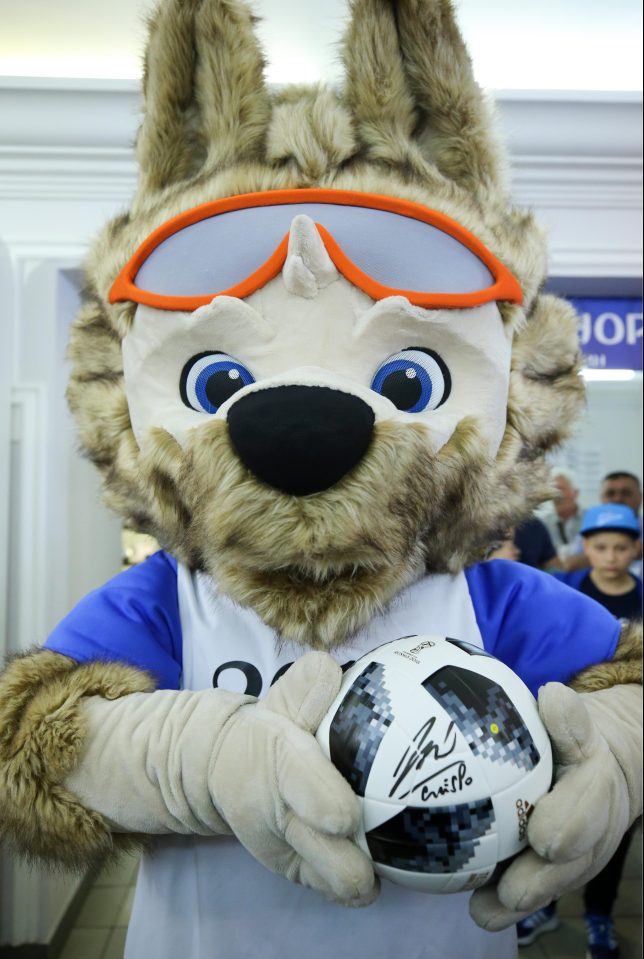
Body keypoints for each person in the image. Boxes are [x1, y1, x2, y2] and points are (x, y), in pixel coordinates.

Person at [517, 502, 642, 956]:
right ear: (585, 547)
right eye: (601, 546)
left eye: (621, 547)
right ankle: (544, 906)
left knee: (612, 832)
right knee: (550, 824)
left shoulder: (641, 596)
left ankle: (599, 917)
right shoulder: (564, 591)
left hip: (616, 740)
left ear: (635, 549)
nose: (611, 555)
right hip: (560, 727)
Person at [564, 472, 643, 577]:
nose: (618, 499)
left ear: (640, 497)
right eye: (610, 493)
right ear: (601, 498)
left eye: (626, 493)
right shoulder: (591, 528)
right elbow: (570, 565)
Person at [538, 467, 583, 562]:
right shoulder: (543, 524)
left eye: (560, 489)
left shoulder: (590, 519)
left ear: (575, 493)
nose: (556, 495)